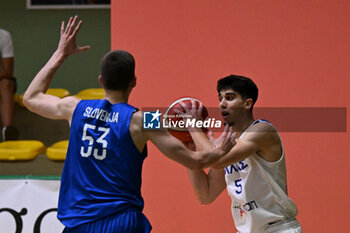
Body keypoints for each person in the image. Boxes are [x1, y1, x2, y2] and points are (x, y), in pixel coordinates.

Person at [23, 16, 233, 233]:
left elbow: (31, 98)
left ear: (101, 81)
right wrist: (219, 149)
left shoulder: (74, 108)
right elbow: (195, 161)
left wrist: (60, 54)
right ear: (134, 81)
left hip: (80, 223)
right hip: (122, 222)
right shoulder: (145, 119)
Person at [180, 75, 302, 233]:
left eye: (229, 98)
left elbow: (215, 160)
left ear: (247, 103)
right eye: (220, 98)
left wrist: (193, 127)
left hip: (277, 229)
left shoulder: (262, 130)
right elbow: (206, 194)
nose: (222, 103)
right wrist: (189, 150)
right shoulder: (226, 145)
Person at [0, 28, 18, 141]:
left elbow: (7, 72)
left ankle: (7, 131)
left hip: (2, 81)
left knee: (5, 84)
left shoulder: (3, 36)